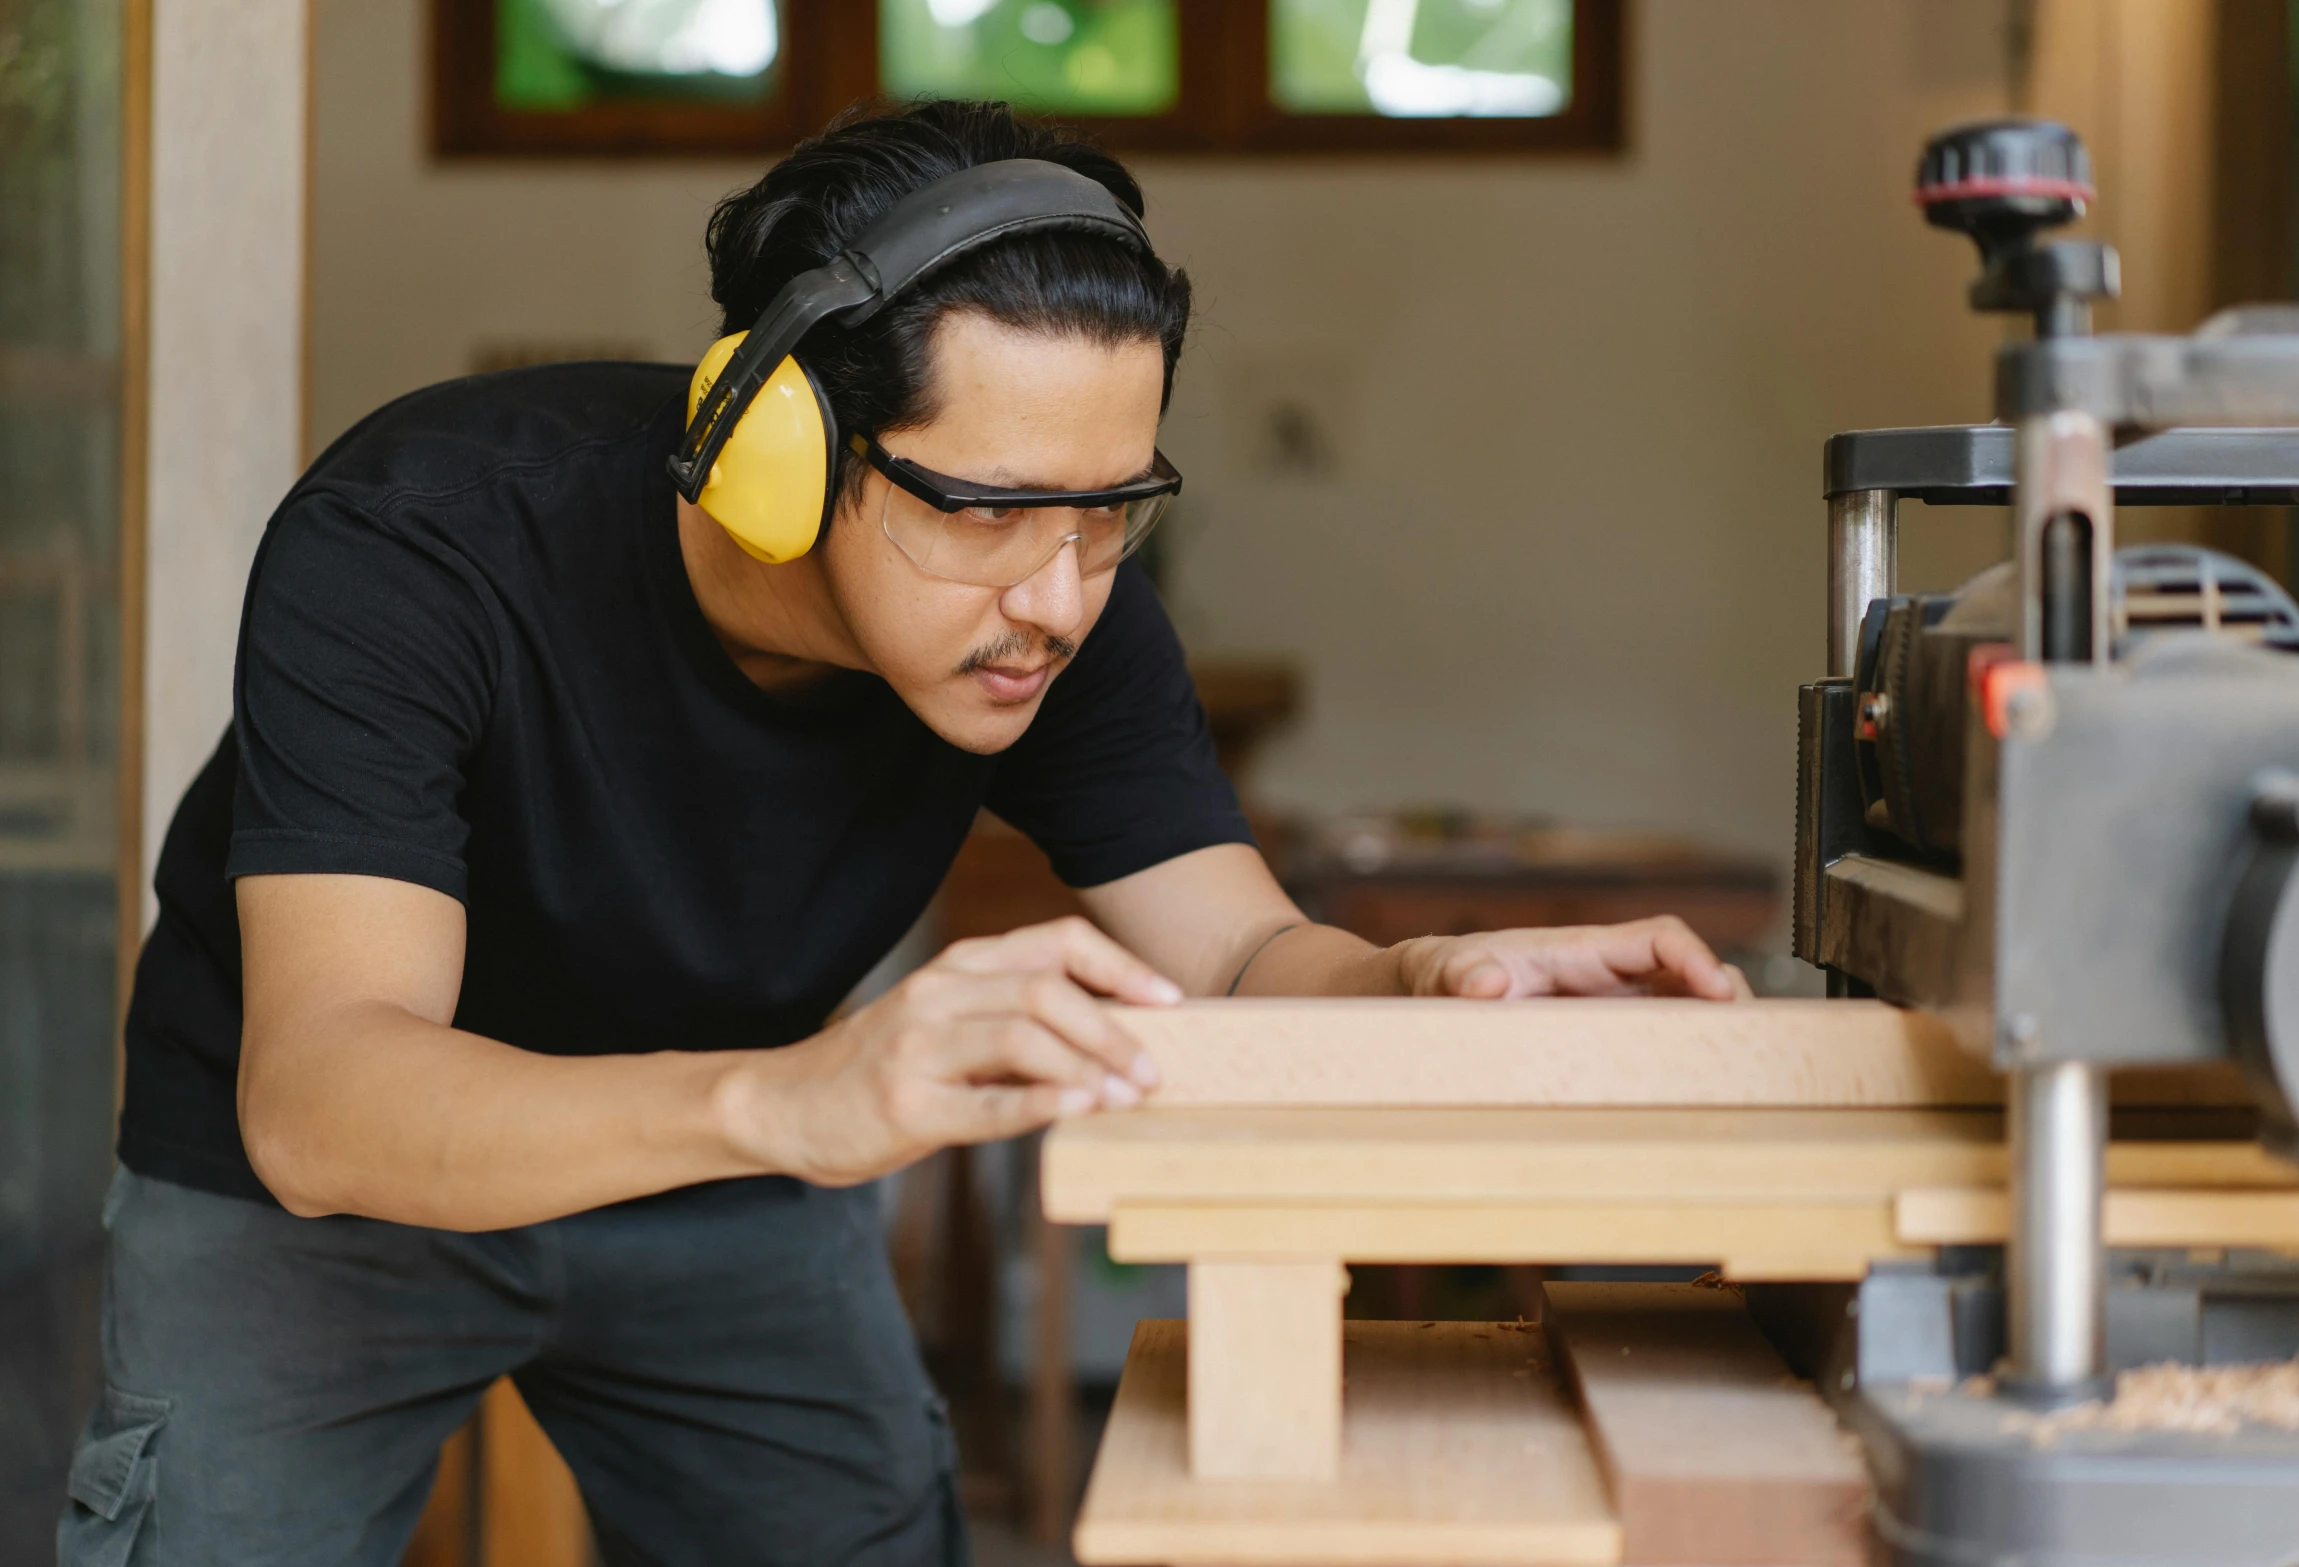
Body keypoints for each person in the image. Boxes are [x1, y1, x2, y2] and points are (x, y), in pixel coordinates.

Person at [61, 99, 1749, 1567]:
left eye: (1113, 513)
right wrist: (807, 1092)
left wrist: (1426, 977)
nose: (1058, 595)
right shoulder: (417, 545)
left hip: (739, 1158)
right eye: (992, 512)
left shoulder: (1062, 610)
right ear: (773, 453)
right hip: (322, 1190)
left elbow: (1236, 951)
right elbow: (329, 1096)